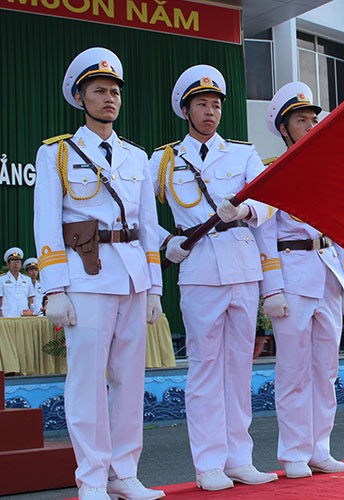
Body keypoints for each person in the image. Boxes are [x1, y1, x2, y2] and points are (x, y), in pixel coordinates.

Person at [33, 47, 165, 500]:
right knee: (87, 381)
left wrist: (154, 288)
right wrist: (54, 288)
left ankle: (124, 472)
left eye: (114, 91)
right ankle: (91, 478)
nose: (109, 98)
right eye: (98, 91)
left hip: (131, 276)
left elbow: (147, 227)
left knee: (130, 381)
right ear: (80, 97)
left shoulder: (136, 157)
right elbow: (45, 222)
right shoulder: (57, 153)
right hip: (85, 277)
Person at [148, 65, 278, 491]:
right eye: (202, 104)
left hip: (241, 269)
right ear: (186, 110)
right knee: (205, 370)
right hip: (199, 270)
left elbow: (267, 201)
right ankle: (207, 464)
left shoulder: (241, 153)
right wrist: (166, 242)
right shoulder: (164, 159)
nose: (210, 112)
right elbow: (139, 211)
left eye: (216, 104)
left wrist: (244, 211)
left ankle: (239, 458)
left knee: (239, 368)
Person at [258, 81, 344, 479]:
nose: (311, 125)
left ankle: (321, 448)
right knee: (293, 370)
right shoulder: (272, 173)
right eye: (302, 120)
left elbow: (342, 231)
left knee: (325, 370)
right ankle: (294, 452)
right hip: (292, 275)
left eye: (314, 119)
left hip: (326, 274)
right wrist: (273, 289)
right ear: (284, 128)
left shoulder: (329, 170)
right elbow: (264, 234)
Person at [0, 248, 35, 317]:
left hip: (24, 315)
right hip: (8, 315)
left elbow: (30, 298)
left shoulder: (27, 280)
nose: (16, 264)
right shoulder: (1, 280)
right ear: (8, 264)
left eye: (18, 262)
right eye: (13, 261)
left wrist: (32, 312)